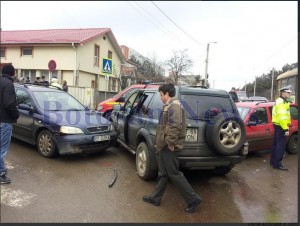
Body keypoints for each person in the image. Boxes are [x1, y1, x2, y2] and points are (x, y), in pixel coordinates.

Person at [142, 83, 202, 213]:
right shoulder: (169, 106)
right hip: (165, 146)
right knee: (163, 173)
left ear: (166, 94)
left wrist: (170, 143)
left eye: (161, 95)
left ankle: (193, 199)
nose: (160, 97)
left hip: (170, 147)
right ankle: (155, 198)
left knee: (174, 173)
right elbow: (165, 124)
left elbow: (175, 126)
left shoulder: (175, 106)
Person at [0, 64, 20, 184]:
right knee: (2, 149)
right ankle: (1, 174)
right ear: (12, 73)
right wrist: (16, 114)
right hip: (4, 121)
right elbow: (9, 103)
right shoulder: (8, 84)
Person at [269, 85, 292, 171]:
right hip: (281, 126)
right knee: (280, 145)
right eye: (288, 92)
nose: (289, 94)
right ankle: (277, 164)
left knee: (275, 144)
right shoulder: (281, 102)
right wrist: (285, 128)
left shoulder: (280, 101)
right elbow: (282, 116)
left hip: (277, 125)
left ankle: (273, 161)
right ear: (283, 92)